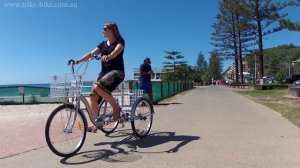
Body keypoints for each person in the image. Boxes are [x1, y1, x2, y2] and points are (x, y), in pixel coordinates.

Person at [75, 22, 125, 133]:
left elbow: (116, 51)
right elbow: (91, 54)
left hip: (117, 72)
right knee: (92, 96)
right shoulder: (102, 44)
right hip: (104, 73)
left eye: (105, 28)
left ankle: (116, 109)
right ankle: (95, 124)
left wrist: (109, 56)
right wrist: (78, 61)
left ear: (112, 30)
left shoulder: (120, 42)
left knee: (98, 87)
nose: (102, 30)